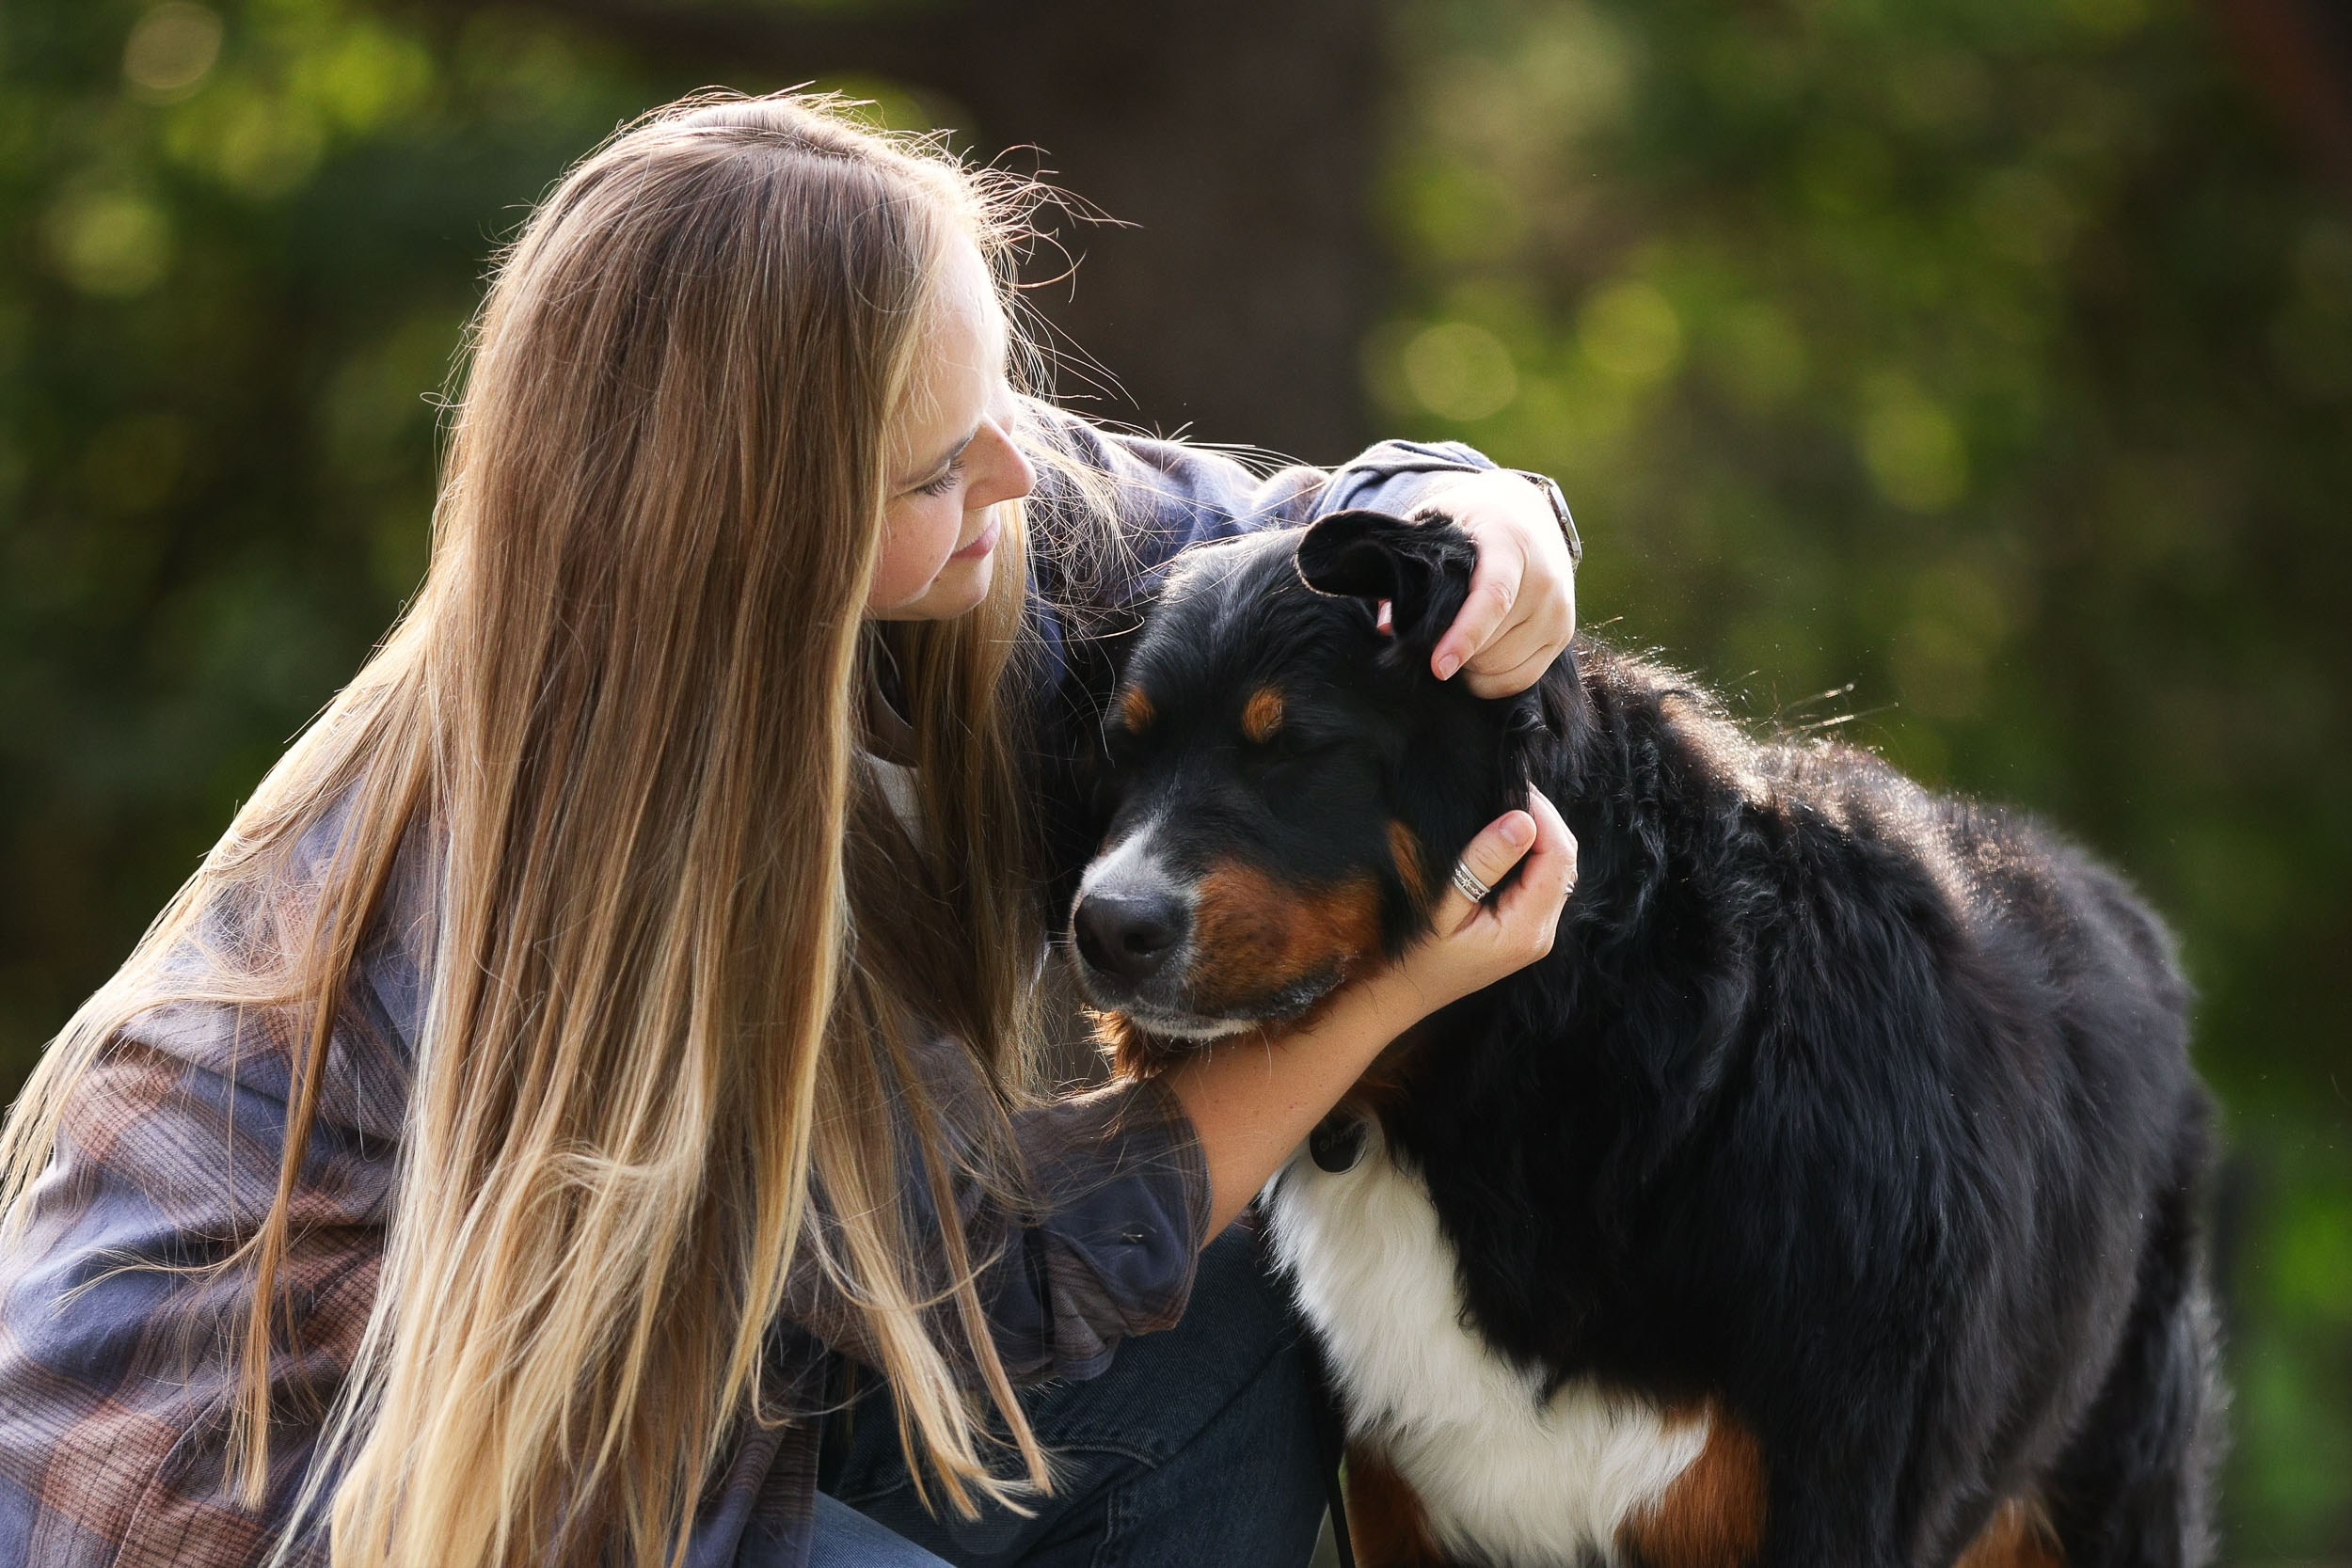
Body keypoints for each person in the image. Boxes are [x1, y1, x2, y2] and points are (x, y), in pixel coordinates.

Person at [0, 91, 1578, 1568]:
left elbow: (1291, 552)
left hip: (643, 1406)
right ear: (773, 525)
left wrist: (1495, 521)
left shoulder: (965, 542)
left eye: (994, 409)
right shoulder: (581, 841)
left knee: (1219, 1328)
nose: (1015, 473)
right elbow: (1001, 1285)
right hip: (284, 1495)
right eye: (941, 464)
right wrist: (1391, 985)